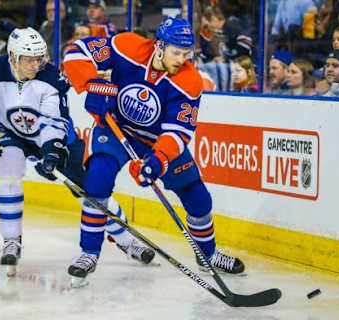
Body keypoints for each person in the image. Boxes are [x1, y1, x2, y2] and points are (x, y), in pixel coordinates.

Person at [62, 17, 245, 283]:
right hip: (116, 129)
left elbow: (178, 132)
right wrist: (93, 83)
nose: (181, 59)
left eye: (186, 53)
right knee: (97, 182)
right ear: (159, 46)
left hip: (156, 141)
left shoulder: (190, 81)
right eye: (176, 52)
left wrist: (158, 160)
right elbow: (78, 52)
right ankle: (88, 253)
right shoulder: (128, 46)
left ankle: (208, 255)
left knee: (199, 199)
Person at [0, 27, 154, 278]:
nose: (35, 65)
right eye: (28, 59)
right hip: (6, 131)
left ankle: (128, 242)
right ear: (12, 56)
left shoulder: (51, 78)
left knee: (87, 189)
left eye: (39, 58)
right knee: (8, 165)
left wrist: (52, 150)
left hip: (46, 135)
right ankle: (11, 240)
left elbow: (55, 121)